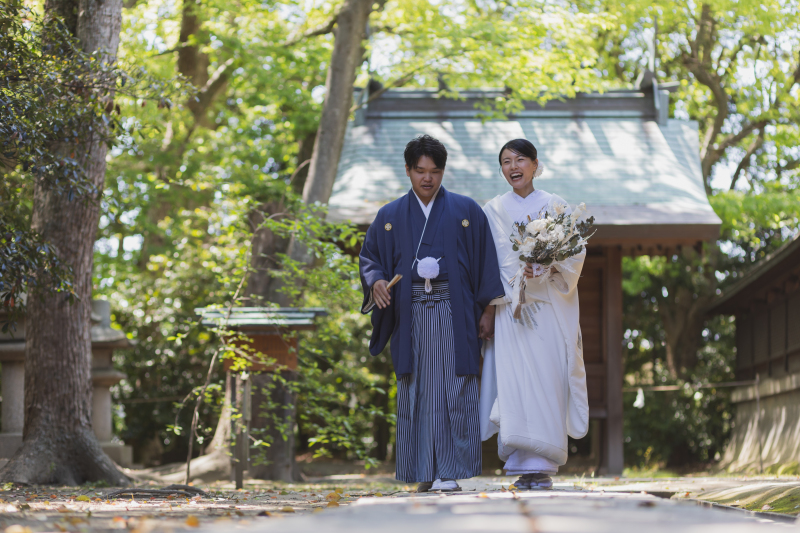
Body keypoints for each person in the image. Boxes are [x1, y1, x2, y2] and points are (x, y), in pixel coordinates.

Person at [359, 134, 504, 492]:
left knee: (455, 387)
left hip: (456, 314)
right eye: (420, 171)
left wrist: (488, 311)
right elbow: (371, 258)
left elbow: (486, 262)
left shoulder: (467, 210)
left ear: (443, 171)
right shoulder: (389, 215)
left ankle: (449, 472)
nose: (428, 179)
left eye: (435, 171)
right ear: (408, 170)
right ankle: (424, 470)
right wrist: (376, 281)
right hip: (411, 315)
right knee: (417, 390)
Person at [479, 138, 589, 490]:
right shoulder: (492, 209)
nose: (514, 167)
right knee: (513, 384)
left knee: (546, 379)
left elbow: (574, 255)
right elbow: (486, 263)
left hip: (547, 308)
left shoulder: (555, 205)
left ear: (535, 165)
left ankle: (542, 463)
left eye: (521, 159)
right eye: (506, 161)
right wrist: (489, 306)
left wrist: (546, 268)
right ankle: (518, 463)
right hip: (510, 308)